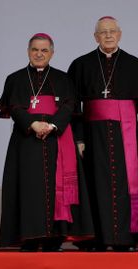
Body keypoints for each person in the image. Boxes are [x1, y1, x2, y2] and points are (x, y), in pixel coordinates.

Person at [0, 33, 94, 251]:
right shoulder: (15, 79)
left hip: (57, 140)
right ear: (28, 51)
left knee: (56, 185)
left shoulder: (63, 79)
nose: (39, 54)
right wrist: (32, 124)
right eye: (35, 50)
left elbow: (70, 106)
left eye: (44, 50)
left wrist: (52, 126)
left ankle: (55, 237)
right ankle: (29, 238)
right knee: (27, 186)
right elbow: (14, 107)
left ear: (51, 52)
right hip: (26, 141)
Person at [68, 16, 138, 251]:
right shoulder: (81, 65)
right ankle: (97, 238)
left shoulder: (134, 64)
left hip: (127, 135)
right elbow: (72, 106)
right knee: (94, 184)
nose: (108, 35)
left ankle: (126, 238)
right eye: (103, 32)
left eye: (112, 31)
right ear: (95, 36)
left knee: (127, 184)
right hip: (92, 136)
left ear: (119, 34)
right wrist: (78, 138)